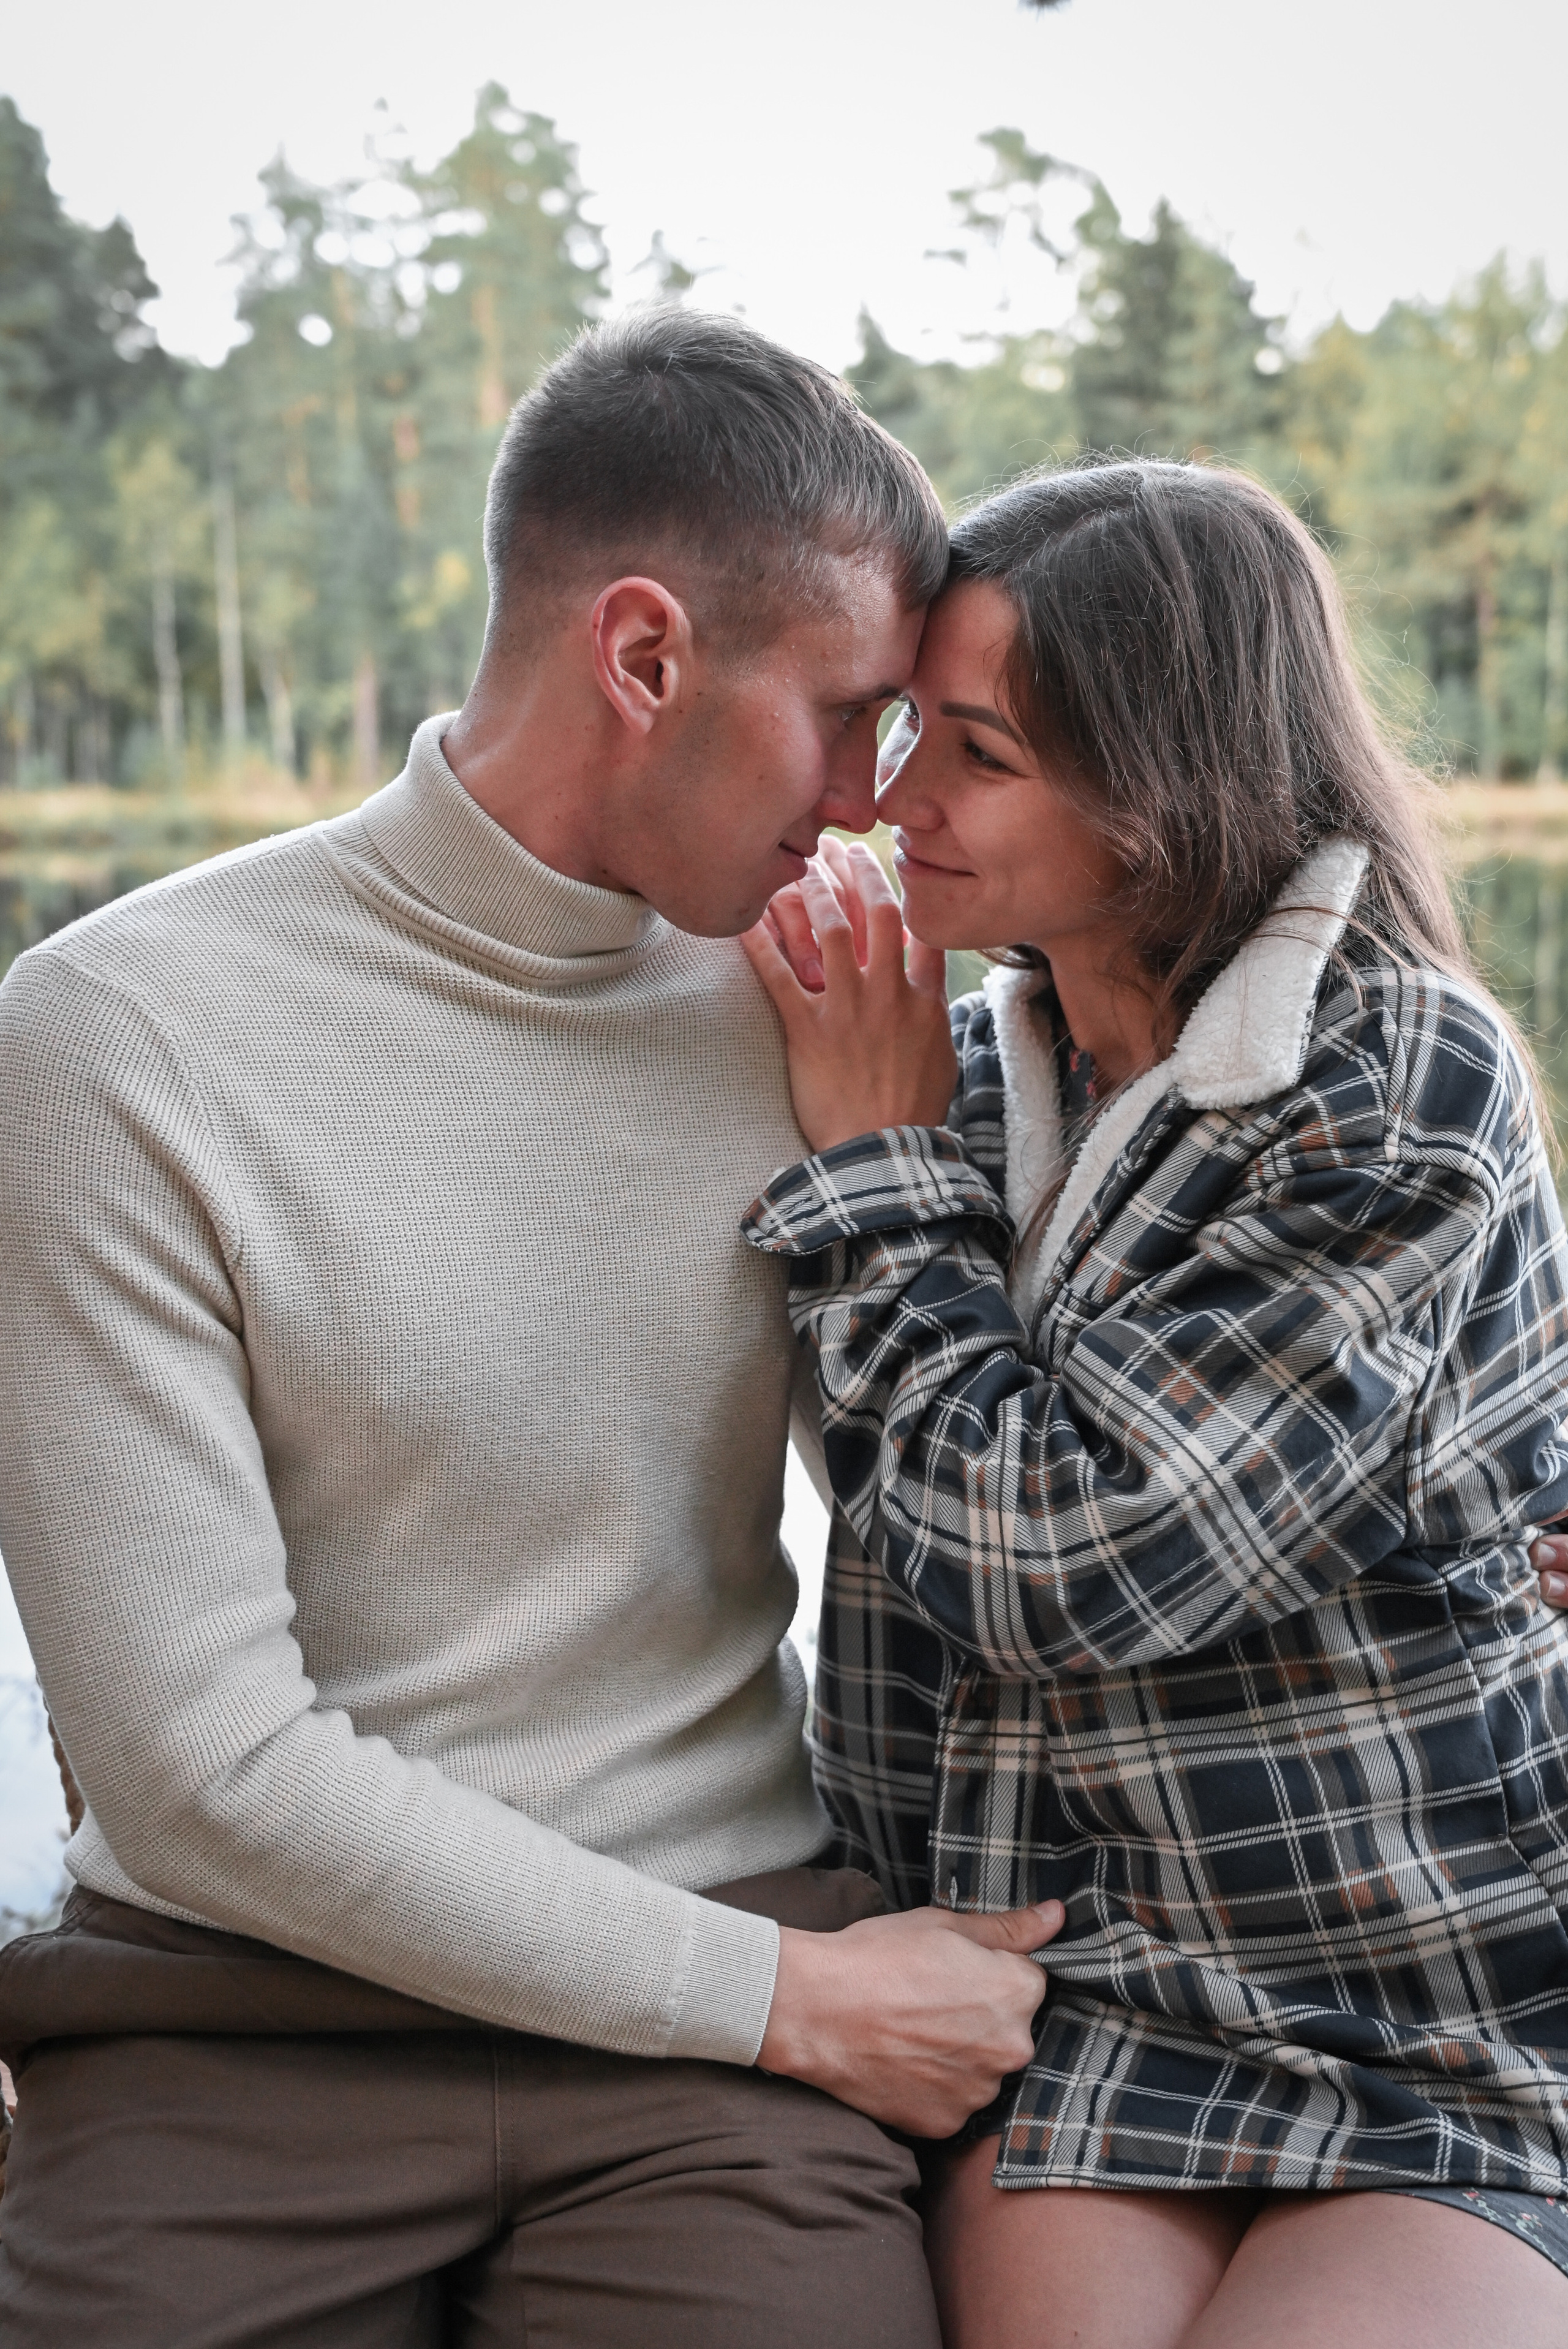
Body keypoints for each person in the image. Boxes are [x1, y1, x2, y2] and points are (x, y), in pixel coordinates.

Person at [0, 309, 1062, 2348]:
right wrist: (792, 2003)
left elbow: (1017, 1497)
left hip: (711, 2056)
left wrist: (1495, 1492)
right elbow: (199, 1767)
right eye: (849, 714)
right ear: (644, 656)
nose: (878, 803)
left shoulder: (829, 1002)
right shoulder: (117, 1037)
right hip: (240, 2027)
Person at [742, 456, 1568, 2348]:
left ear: (1165, 788)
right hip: (1069, 1993)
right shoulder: (959, 1068)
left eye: (976, 754)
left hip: (1424, 1988)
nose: (893, 802)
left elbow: (1064, 1562)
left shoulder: (1393, 1072)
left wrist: (873, 1185)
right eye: (904, 731)